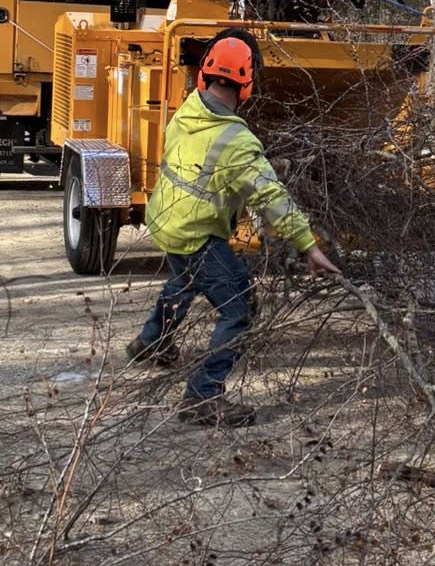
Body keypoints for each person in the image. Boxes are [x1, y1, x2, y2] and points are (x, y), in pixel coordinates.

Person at [128, 32, 341, 426]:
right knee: (239, 309)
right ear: (247, 86)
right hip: (196, 234)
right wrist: (307, 244)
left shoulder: (186, 111)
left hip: (165, 223)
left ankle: (151, 341)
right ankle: (202, 397)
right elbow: (271, 199)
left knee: (185, 282)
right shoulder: (237, 141)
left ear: (202, 78)